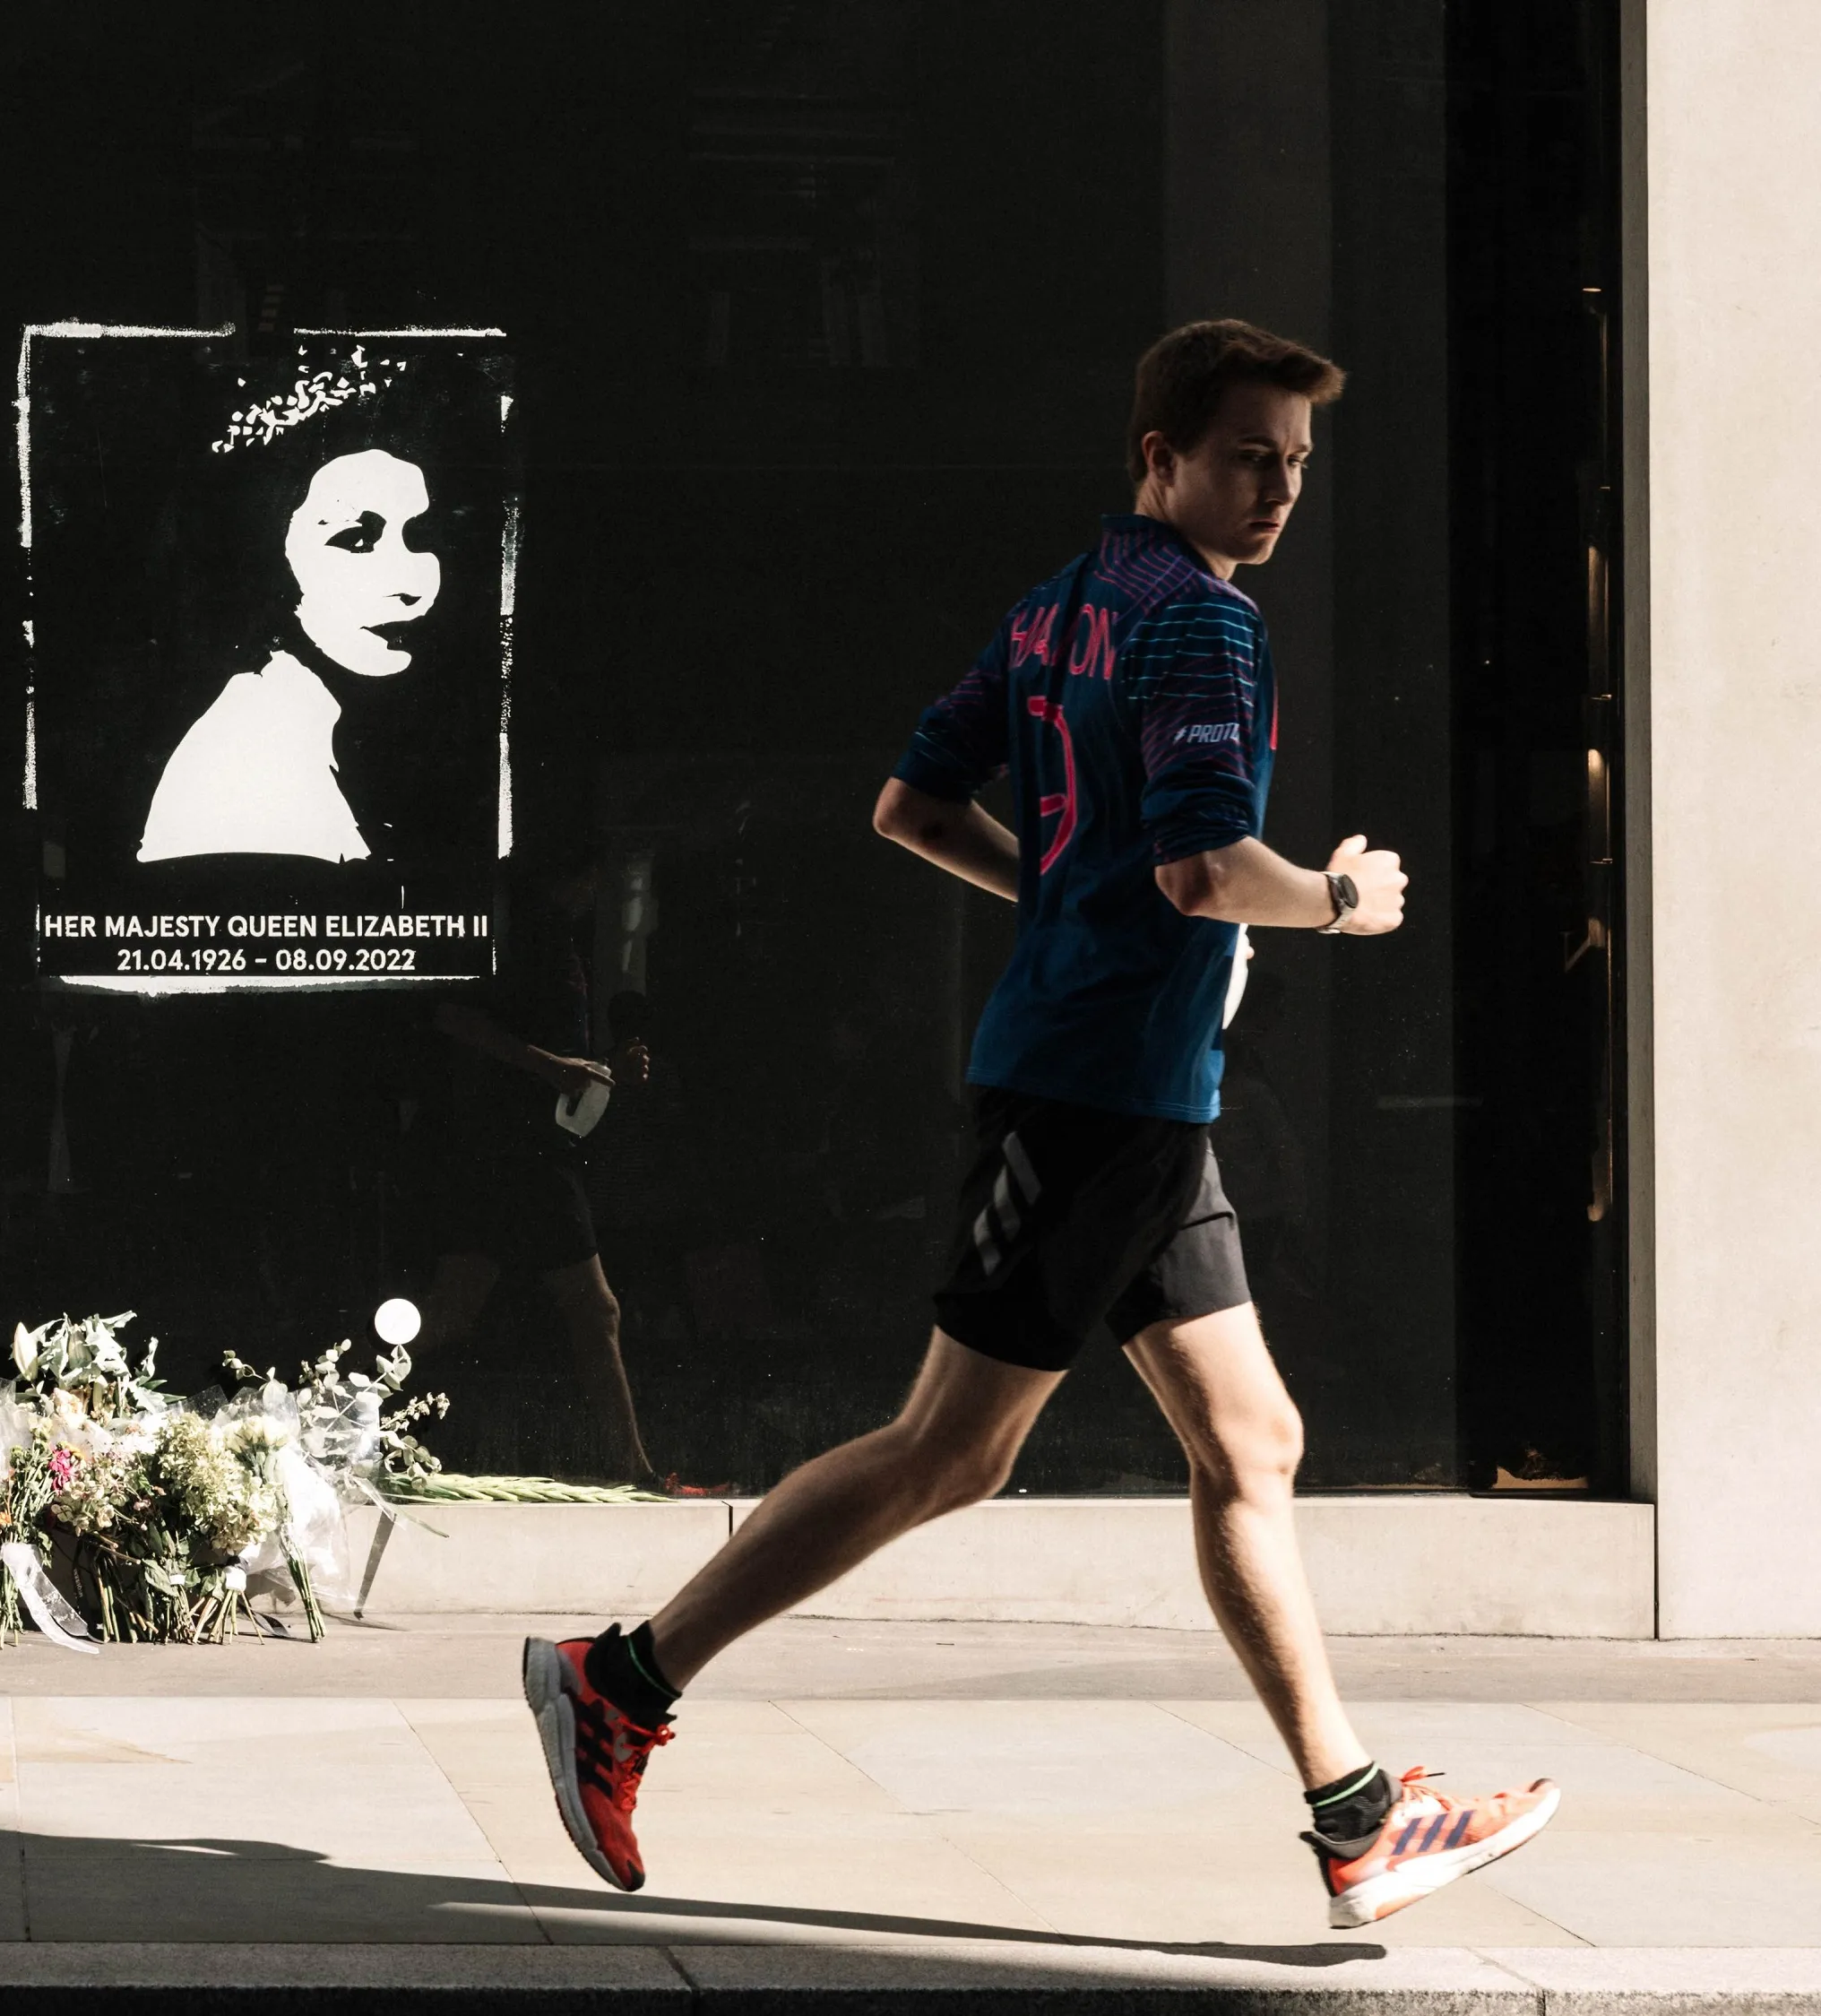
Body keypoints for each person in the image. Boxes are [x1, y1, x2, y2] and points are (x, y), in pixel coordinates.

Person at [522, 322, 1558, 1929]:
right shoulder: (1203, 625)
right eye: (1246, 456)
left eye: (1296, 461)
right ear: (1158, 454)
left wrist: (1072, 898)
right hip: (1099, 1094)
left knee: (1251, 1440)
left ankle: (1362, 1818)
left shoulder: (1057, 606)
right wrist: (1343, 902)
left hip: (1137, 1091)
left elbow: (912, 808)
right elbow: (1211, 871)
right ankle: (621, 1675)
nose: (1279, 488)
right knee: (952, 1449)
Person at [412, 845, 657, 1483]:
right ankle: (630, 1467)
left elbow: (554, 1065)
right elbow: (453, 1016)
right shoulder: (519, 934)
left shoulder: (556, 940)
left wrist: (603, 1070)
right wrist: (555, 1067)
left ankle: (320, 1399)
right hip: (519, 1154)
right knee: (593, 1310)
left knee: (452, 1311)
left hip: (521, 1151)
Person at [139, 442, 443, 864]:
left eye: (422, 537)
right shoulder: (247, 757)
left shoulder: (340, 722)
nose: (411, 585)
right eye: (355, 540)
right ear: (271, 561)